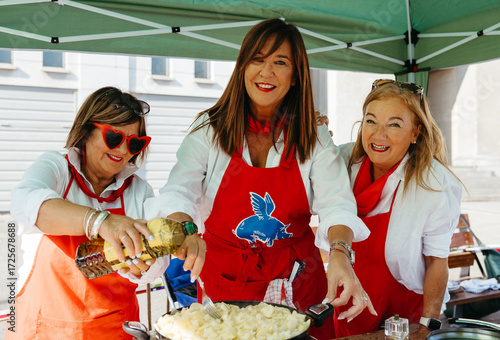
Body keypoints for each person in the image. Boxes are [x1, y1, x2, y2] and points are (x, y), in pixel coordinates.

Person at [144, 18, 374, 340]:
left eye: (280, 62)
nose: (267, 72)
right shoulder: (209, 130)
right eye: (258, 59)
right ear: (242, 67)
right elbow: (179, 190)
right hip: (224, 278)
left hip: (297, 280)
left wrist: (339, 252)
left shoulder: (314, 136)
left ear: (295, 77)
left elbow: (337, 204)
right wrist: (185, 228)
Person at [7, 87, 201, 339]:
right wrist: (99, 222)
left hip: (116, 330)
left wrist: (142, 266)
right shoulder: (56, 168)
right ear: (87, 131)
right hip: (46, 328)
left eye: (134, 143)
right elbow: (25, 202)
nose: (123, 151)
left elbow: (155, 266)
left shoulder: (139, 190)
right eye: (114, 137)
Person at [317, 79, 462, 339]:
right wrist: (311, 132)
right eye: (371, 121)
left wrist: (427, 326)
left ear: (416, 133)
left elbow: (436, 261)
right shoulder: (342, 163)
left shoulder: (435, 184)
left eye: (394, 124)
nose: (379, 135)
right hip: (351, 300)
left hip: (405, 313)